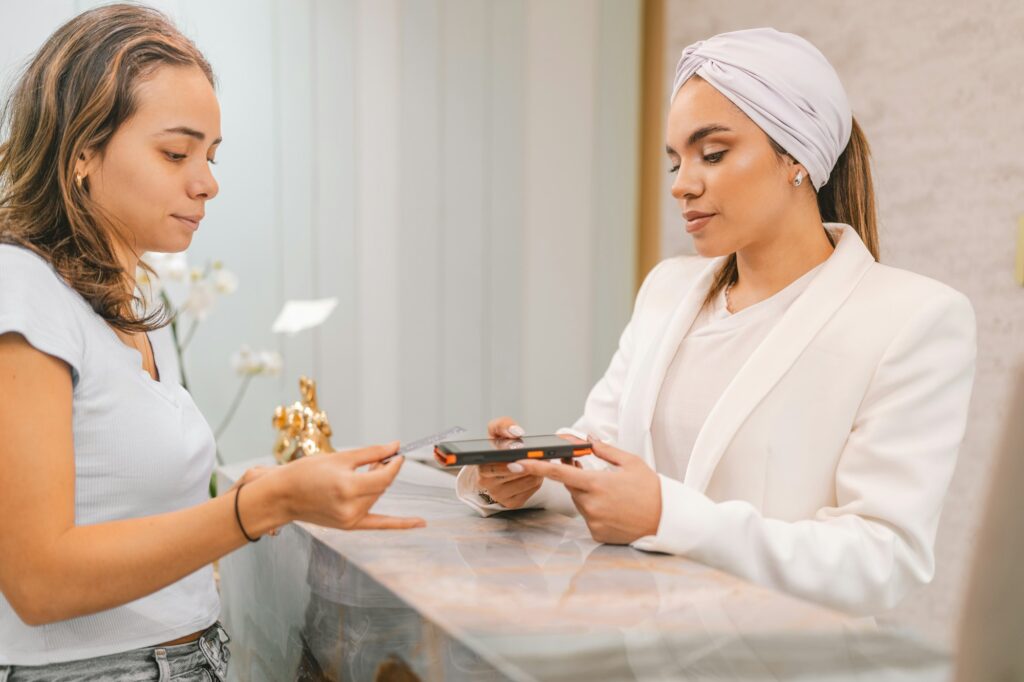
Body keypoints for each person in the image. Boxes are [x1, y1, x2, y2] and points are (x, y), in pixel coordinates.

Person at [456, 27, 976, 616]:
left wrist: (666, 517)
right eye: (676, 160)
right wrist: (526, 477)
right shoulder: (667, 290)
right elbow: (602, 453)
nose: (682, 184)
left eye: (713, 153)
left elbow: (882, 559)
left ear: (797, 158)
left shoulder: (914, 320)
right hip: (632, 646)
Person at [0, 5, 422, 679]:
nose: (207, 182)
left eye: (211, 156)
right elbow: (39, 581)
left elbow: (121, 507)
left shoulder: (138, 305)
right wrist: (260, 506)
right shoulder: (20, 291)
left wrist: (258, 489)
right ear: (83, 152)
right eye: (176, 153)